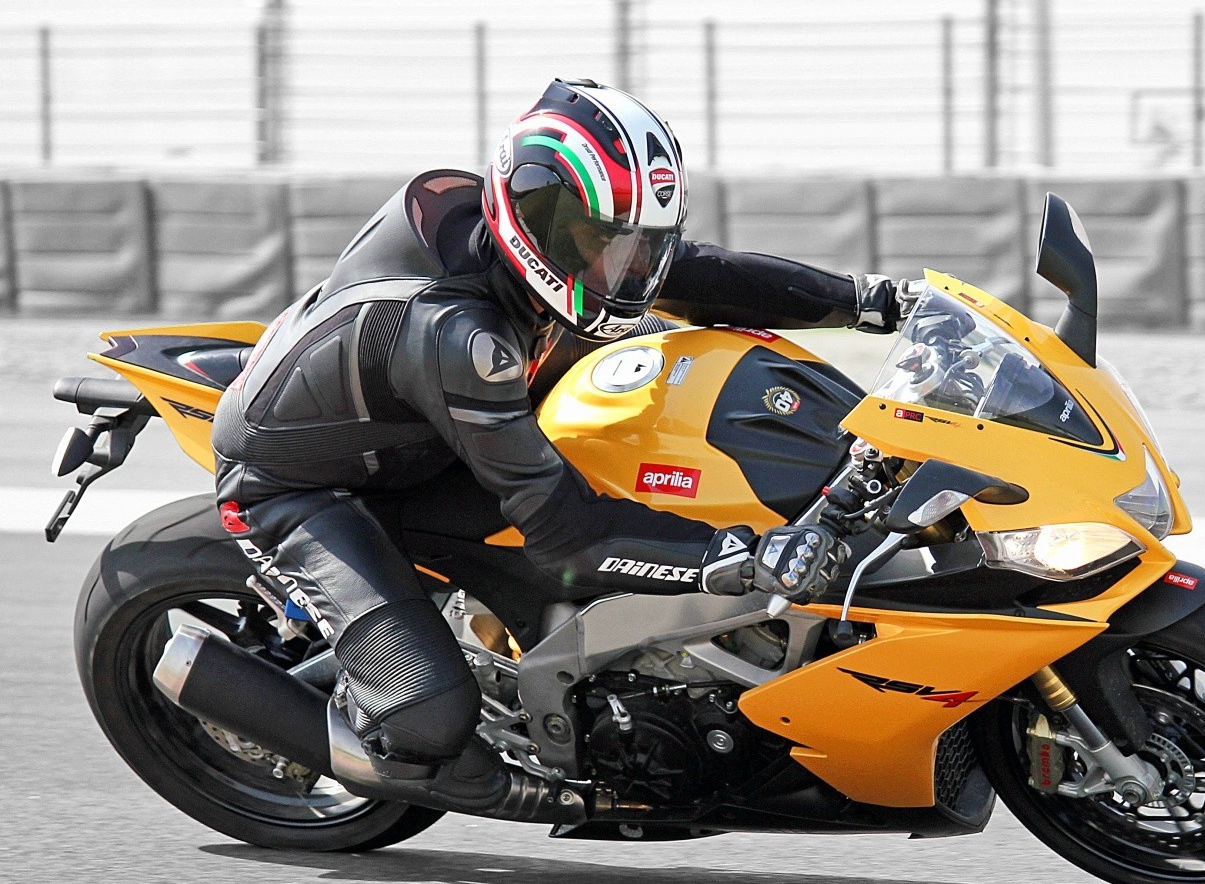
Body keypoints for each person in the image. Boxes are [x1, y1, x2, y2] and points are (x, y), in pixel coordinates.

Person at [211, 79, 904, 816]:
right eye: (604, 245)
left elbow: (696, 273)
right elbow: (568, 536)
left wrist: (874, 301)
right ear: (537, 219)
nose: (626, 270)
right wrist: (738, 556)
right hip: (304, 485)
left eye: (641, 247)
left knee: (663, 388)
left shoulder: (542, 255)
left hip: (421, 429)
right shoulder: (460, 338)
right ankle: (475, 772)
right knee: (428, 717)